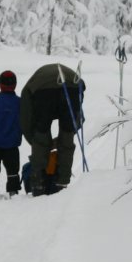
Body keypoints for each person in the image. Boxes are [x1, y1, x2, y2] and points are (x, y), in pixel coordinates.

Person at [19, 63, 85, 197]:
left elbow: (26, 118)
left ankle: (38, 182)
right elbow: (77, 118)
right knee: (66, 137)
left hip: (44, 91)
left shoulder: (28, 89)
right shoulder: (77, 85)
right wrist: (68, 134)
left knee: (41, 135)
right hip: (73, 86)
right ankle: (62, 181)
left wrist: (36, 141)